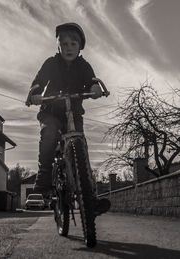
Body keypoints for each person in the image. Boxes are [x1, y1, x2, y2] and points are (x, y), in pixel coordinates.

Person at [25, 22, 110, 216]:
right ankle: (45, 176)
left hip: (74, 114)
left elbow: (92, 81)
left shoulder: (84, 66)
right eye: (64, 44)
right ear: (58, 47)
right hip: (51, 112)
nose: (68, 48)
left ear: (80, 46)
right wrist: (35, 93)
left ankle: (90, 199)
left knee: (82, 148)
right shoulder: (51, 63)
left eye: (73, 44)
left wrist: (95, 89)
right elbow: (39, 81)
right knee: (49, 133)